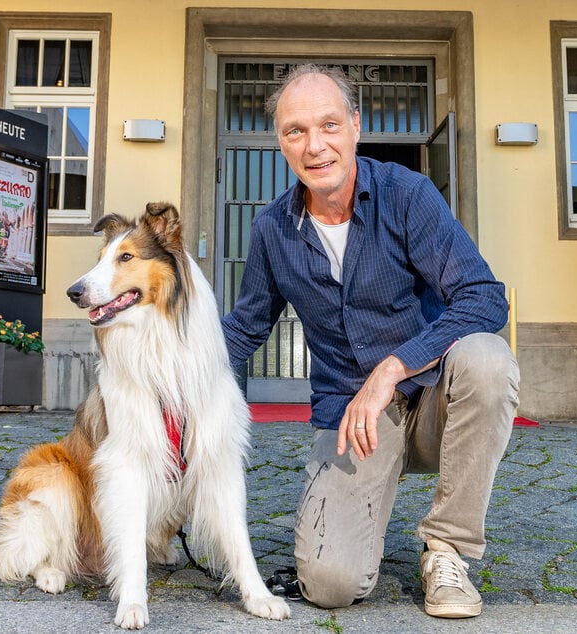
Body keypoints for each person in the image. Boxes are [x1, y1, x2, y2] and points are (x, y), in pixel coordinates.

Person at [221, 64, 520, 619]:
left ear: (355, 127)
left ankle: (447, 548)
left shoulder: (408, 195)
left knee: (487, 359)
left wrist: (392, 369)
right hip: (351, 418)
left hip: (433, 399)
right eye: (296, 131)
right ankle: (361, 525)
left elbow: (483, 298)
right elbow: (245, 327)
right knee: (330, 585)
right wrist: (163, 355)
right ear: (280, 143)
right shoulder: (272, 230)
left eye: (329, 125)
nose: (316, 146)